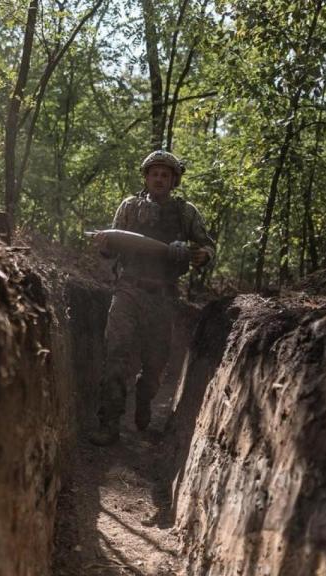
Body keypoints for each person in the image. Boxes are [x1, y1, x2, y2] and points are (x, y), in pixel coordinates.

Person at [88, 150, 216, 446]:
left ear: (174, 181)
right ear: (146, 178)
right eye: (154, 173)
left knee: (155, 366)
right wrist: (104, 244)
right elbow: (111, 248)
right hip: (128, 290)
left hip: (163, 295)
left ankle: (145, 400)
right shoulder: (130, 208)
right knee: (116, 355)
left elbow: (207, 247)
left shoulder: (187, 213)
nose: (159, 179)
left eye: (165, 175)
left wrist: (197, 254)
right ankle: (109, 423)